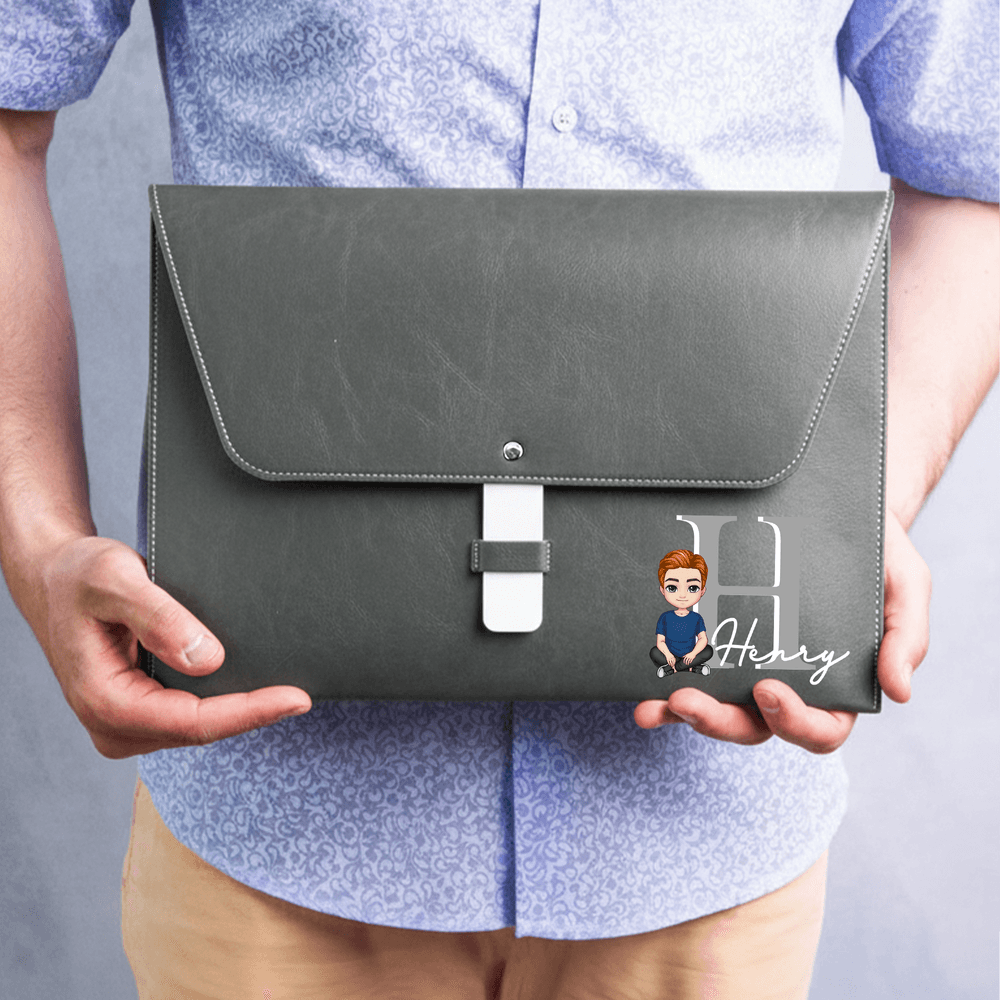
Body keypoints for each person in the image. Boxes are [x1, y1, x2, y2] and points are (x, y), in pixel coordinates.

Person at [0, 1, 996, 997]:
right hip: (270, 830)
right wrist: (41, 544)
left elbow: (973, 175)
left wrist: (852, 511)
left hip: (708, 842)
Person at [650, 549, 714, 676]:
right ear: (662, 590)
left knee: (708, 651)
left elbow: (702, 639)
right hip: (670, 655)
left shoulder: (696, 618)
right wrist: (668, 654)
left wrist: (693, 654)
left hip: (690, 655)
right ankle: (691, 668)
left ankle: (673, 669)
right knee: (654, 652)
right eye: (672, 588)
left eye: (693, 588)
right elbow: (660, 642)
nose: (683, 595)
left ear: (702, 591)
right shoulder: (665, 617)